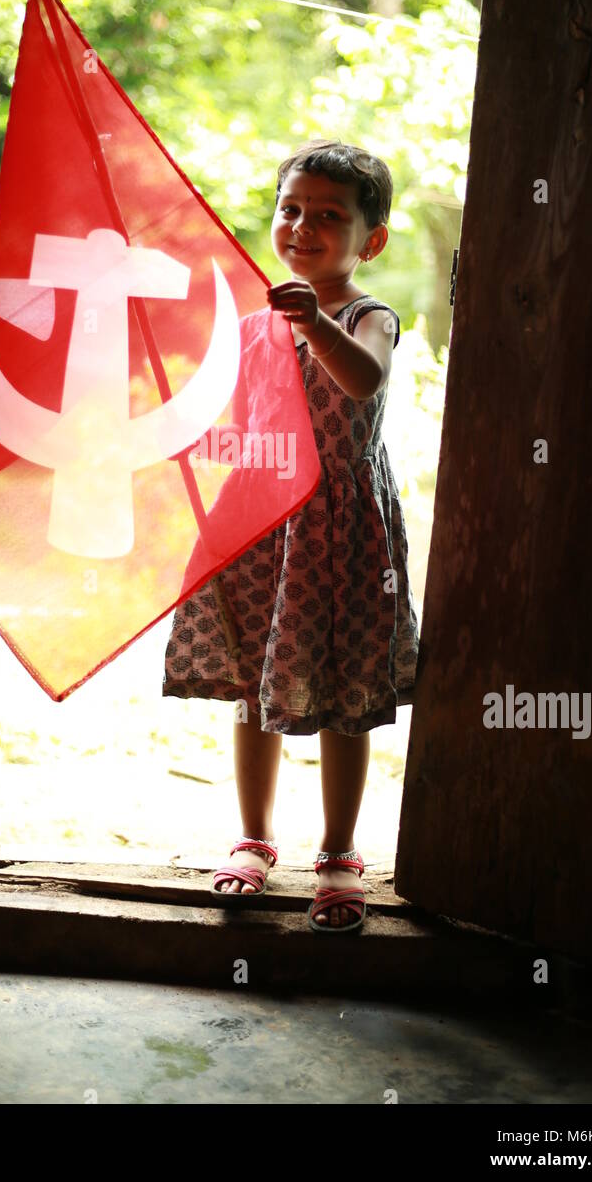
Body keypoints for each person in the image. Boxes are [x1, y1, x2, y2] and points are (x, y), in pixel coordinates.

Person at [162, 139, 420, 932]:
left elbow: (363, 380)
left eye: (330, 216)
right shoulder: (252, 324)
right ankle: (253, 837)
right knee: (253, 689)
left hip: (340, 535)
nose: (303, 226)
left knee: (345, 696)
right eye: (291, 210)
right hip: (262, 529)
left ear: (369, 241)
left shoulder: (365, 317)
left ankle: (340, 852)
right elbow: (235, 423)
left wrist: (312, 325)